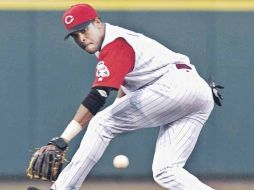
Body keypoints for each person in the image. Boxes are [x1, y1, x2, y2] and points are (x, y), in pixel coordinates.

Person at [50, 3, 218, 190]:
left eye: (84, 30)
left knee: (101, 123)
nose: (81, 38)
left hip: (174, 86)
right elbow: (126, 86)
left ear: (97, 22)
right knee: (166, 170)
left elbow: (97, 96)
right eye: (75, 35)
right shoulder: (114, 42)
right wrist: (117, 110)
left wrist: (63, 139)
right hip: (197, 91)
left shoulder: (115, 44)